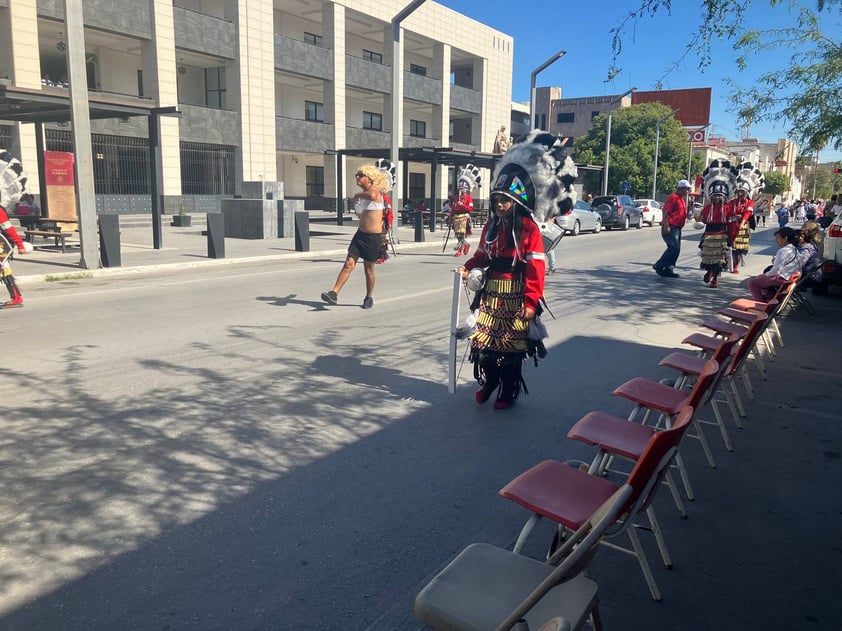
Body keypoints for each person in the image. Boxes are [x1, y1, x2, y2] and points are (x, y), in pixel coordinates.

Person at [458, 131, 576, 410]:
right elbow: (482, 255)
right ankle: (490, 381)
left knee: (510, 348)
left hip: (516, 295)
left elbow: (536, 268)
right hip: (490, 295)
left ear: (517, 201)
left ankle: (507, 390)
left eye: (505, 200)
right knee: (483, 344)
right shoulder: (492, 226)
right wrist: (468, 266)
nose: (500, 205)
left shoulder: (528, 229)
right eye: (497, 199)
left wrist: (531, 302)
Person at [321, 164, 389, 309]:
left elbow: (371, 196)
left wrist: (357, 195)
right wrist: (357, 202)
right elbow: (360, 212)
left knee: (368, 268)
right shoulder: (363, 196)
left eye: (360, 175)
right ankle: (334, 293)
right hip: (360, 235)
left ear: (369, 178)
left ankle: (369, 297)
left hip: (373, 238)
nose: (357, 177)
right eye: (356, 175)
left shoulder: (374, 191)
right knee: (348, 264)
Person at [746, 227, 801, 301]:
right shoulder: (794, 249)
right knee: (763, 278)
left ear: (785, 239)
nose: (776, 240)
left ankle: (761, 303)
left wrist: (764, 275)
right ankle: (769, 297)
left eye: (778, 238)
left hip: (783, 279)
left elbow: (776, 271)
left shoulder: (783, 251)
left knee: (752, 283)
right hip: (789, 278)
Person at [652, 179, 692, 278]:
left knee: (676, 249)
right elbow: (665, 212)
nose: (688, 191)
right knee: (674, 248)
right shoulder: (673, 197)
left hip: (677, 228)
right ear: (681, 189)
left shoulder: (681, 199)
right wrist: (666, 225)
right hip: (671, 226)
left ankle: (669, 269)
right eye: (687, 189)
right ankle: (659, 265)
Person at [698, 183, 731, 289]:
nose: (717, 197)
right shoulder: (707, 208)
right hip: (709, 235)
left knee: (720, 259)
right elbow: (702, 219)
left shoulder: (727, 208)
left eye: (720, 195)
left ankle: (715, 279)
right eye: (716, 195)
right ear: (712, 196)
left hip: (722, 235)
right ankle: (709, 272)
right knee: (708, 257)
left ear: (724, 196)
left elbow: (731, 222)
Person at [449, 164, 481, 257]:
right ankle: (466, 245)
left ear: (466, 189)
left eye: (462, 188)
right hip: (456, 217)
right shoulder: (455, 198)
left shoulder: (469, 198)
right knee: (457, 235)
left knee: (462, 235)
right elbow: (453, 209)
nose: (461, 190)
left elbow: (471, 208)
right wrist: (450, 218)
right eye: (460, 188)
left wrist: (462, 205)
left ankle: (460, 250)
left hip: (464, 217)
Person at [796, 221, 823, 287]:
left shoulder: (807, 247)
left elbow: (799, 263)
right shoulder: (811, 244)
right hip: (809, 274)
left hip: (807, 277)